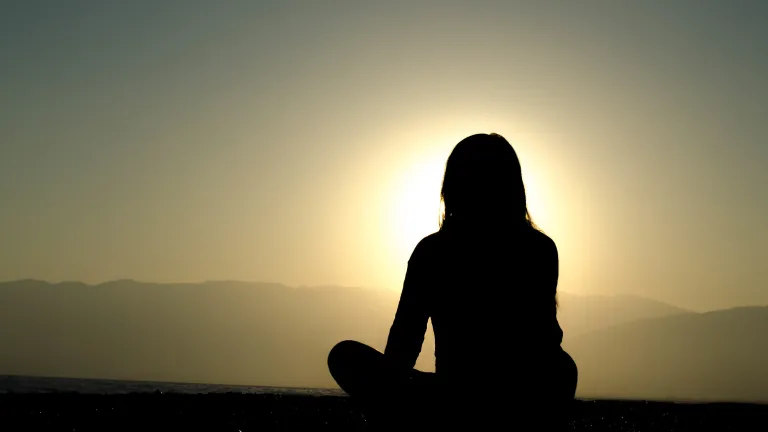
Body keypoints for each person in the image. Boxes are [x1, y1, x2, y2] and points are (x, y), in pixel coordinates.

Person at [328, 133, 577, 428]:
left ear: (452, 187)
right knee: (561, 368)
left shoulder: (433, 251)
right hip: (522, 394)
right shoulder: (539, 248)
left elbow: (404, 344)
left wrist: (389, 395)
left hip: (461, 396)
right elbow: (545, 339)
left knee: (345, 357)